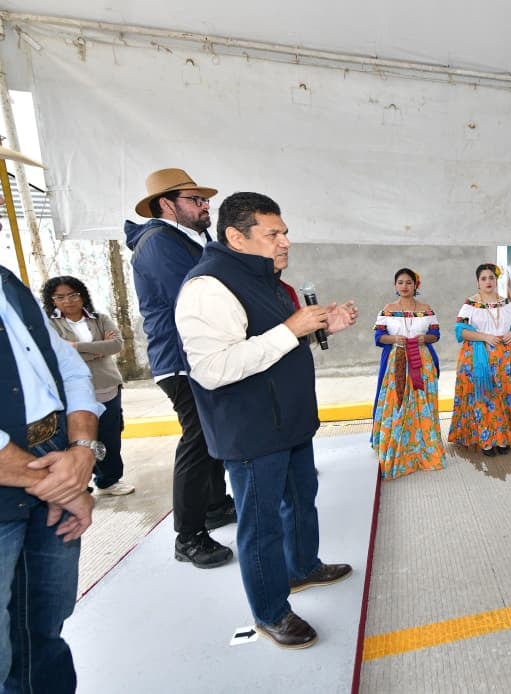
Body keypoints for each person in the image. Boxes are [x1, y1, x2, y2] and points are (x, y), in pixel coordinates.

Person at [175, 191, 358, 649]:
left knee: (300, 499)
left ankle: (303, 568)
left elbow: (272, 343)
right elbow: (212, 369)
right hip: (253, 430)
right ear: (236, 237)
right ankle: (271, 612)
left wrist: (319, 329)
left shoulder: (263, 278)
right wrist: (292, 328)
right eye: (273, 234)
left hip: (288, 420)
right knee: (262, 526)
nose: (285, 242)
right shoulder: (208, 287)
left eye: (285, 232)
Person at [124, 168, 235, 569]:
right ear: (166, 204)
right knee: (197, 439)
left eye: (205, 200)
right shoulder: (158, 243)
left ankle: (215, 505)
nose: (205, 206)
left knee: (211, 434)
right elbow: (194, 298)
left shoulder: (188, 239)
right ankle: (188, 536)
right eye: (195, 200)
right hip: (181, 361)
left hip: (197, 356)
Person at [2, 263, 104, 691]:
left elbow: (70, 368)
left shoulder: (8, 283)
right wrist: (58, 485)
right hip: (26, 474)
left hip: (54, 457)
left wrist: (81, 451)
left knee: (43, 624)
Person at [42, 276, 134, 496]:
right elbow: (56, 352)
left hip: (106, 385)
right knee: (76, 439)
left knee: (110, 436)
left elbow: (115, 345)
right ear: (52, 300)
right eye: (60, 297)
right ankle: (80, 484)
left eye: (73, 295)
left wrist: (76, 347)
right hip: (72, 391)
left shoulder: (99, 318)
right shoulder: (50, 324)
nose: (68, 301)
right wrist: (97, 349)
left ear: (82, 295)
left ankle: (109, 480)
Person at [448, 263, 511, 456]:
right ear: (477, 282)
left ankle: (503, 438)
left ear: (496, 280)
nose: (488, 281)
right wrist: (485, 337)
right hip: (480, 359)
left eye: (491, 278)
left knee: (506, 397)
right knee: (484, 398)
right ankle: (486, 441)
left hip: (507, 361)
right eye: (483, 278)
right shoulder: (470, 304)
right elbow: (461, 331)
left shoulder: (505, 303)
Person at [371, 268, 446, 479]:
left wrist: (425, 338)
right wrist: (394, 339)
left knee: (422, 403)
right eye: (400, 282)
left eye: (409, 282)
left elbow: (435, 334)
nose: (404, 286)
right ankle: (398, 449)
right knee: (397, 404)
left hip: (422, 363)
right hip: (396, 363)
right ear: (395, 285)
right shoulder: (387, 310)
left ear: (415, 285)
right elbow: (378, 337)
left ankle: (424, 449)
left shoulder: (426, 309)